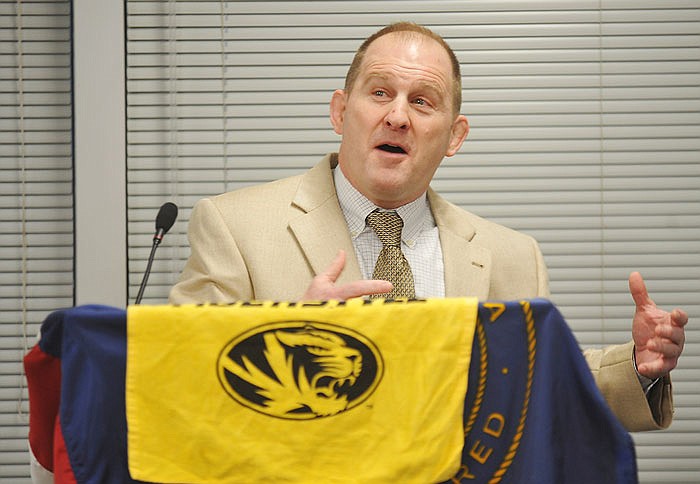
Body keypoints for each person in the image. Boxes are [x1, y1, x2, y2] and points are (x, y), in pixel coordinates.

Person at [169, 22, 687, 432]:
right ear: (340, 111)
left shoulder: (511, 254)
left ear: (454, 136)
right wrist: (287, 343)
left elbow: (537, 387)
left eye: (422, 101)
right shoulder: (234, 225)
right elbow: (181, 385)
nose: (397, 116)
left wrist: (638, 368)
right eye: (379, 93)